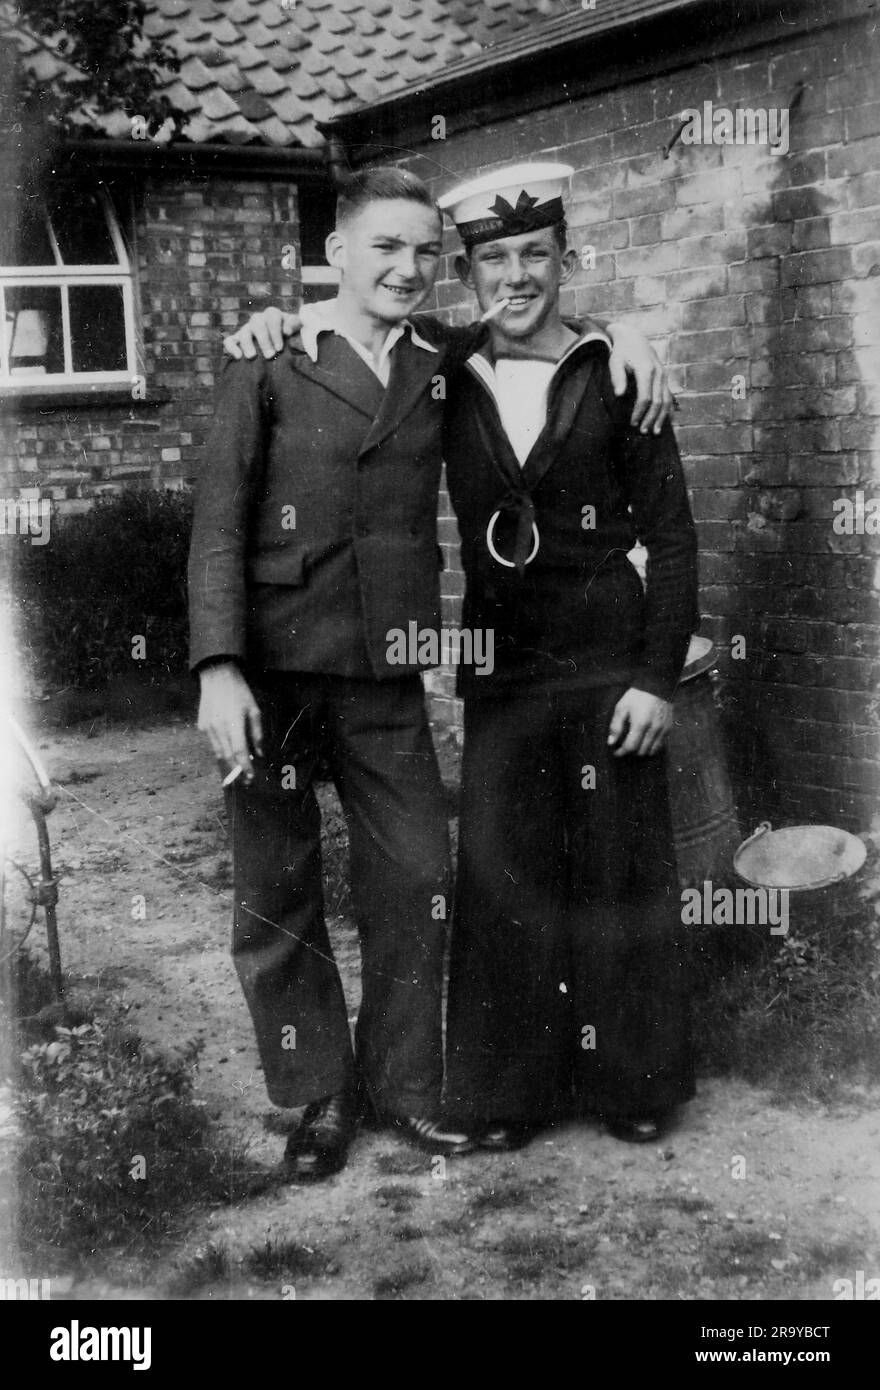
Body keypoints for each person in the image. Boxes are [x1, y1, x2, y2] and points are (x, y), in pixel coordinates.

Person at [208, 168, 674, 1180]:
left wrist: (626, 333)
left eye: (425, 252)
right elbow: (215, 529)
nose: (408, 268)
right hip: (273, 673)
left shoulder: (439, 358)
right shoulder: (271, 359)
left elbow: (541, 325)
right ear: (336, 254)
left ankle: (407, 1085)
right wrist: (216, 669)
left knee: (419, 875)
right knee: (276, 887)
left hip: (386, 673)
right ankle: (320, 1094)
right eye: (386, 247)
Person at [436, 164, 699, 1147]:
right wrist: (268, 328)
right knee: (506, 873)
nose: (516, 277)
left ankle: (633, 1082)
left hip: (607, 664)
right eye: (494, 259)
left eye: (534, 255)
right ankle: (510, 1093)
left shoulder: (617, 370)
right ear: (467, 276)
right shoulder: (442, 374)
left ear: (564, 261)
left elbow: (672, 539)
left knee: (617, 869)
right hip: (503, 669)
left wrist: (656, 677)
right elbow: (355, 336)